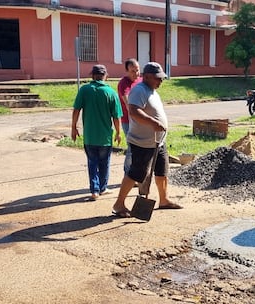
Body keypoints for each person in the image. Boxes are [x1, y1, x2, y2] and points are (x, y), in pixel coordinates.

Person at [111, 62, 182, 217]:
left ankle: (164, 200)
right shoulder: (139, 90)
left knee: (162, 172)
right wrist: (154, 123)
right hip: (142, 142)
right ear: (147, 76)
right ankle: (119, 204)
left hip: (158, 141)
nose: (161, 81)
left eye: (162, 78)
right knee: (136, 173)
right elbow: (134, 111)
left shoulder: (153, 91)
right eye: (158, 78)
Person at [71, 64, 122, 201]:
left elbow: (76, 110)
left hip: (89, 136)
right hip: (105, 137)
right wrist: (118, 132)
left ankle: (94, 191)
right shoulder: (111, 93)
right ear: (106, 76)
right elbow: (116, 117)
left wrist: (73, 127)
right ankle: (103, 188)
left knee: (92, 163)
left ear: (92, 75)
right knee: (104, 163)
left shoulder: (84, 90)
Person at [117, 58, 142, 174]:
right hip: (128, 120)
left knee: (140, 148)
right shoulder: (124, 83)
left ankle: (136, 173)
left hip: (141, 120)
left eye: (137, 70)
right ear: (126, 71)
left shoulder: (141, 81)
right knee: (132, 147)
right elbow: (128, 104)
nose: (136, 73)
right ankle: (128, 173)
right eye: (132, 71)